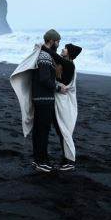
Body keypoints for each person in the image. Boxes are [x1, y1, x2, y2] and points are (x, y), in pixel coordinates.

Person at [30, 29, 69, 172]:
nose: (58, 44)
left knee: (38, 130)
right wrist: (59, 88)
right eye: (58, 41)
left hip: (39, 98)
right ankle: (41, 162)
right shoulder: (45, 56)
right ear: (52, 41)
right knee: (43, 131)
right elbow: (45, 79)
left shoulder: (42, 54)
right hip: (44, 99)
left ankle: (37, 160)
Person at [42, 42, 82, 171]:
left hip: (63, 101)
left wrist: (43, 47)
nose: (63, 50)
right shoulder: (65, 65)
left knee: (63, 130)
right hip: (59, 99)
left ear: (69, 52)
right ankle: (66, 159)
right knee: (61, 131)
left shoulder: (69, 64)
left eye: (65, 48)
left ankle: (69, 161)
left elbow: (54, 56)